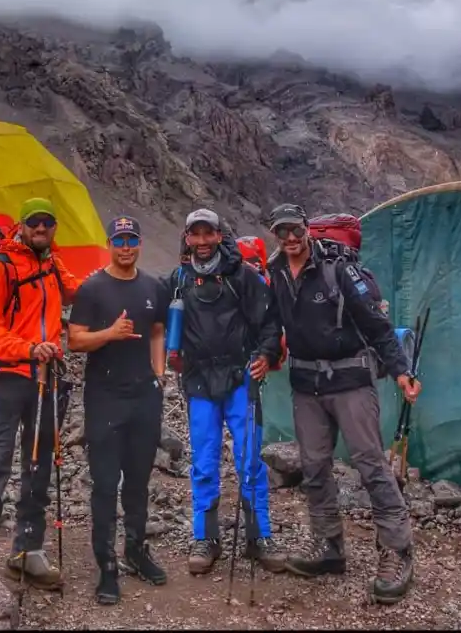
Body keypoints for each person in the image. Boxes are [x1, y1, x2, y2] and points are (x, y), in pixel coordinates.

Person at [266, 203, 422, 604]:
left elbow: (376, 325)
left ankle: (397, 550)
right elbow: (270, 324)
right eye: (282, 232)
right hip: (306, 385)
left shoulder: (339, 270)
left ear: (307, 230)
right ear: (275, 234)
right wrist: (266, 353)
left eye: (296, 230)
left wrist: (401, 370)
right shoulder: (277, 273)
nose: (290, 238)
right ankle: (329, 547)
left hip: (350, 380)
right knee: (314, 466)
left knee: (370, 463)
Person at [0, 198, 80, 590]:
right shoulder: (0, 268)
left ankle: (26, 552)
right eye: (34, 222)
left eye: (48, 222)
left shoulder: (50, 263)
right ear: (21, 225)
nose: (41, 228)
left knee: (38, 467)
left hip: (46, 379)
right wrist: (28, 348)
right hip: (7, 377)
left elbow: (74, 293)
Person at [167, 208, 285, 576]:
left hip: (240, 378)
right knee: (204, 462)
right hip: (200, 381)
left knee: (250, 459)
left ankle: (259, 536)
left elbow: (269, 322)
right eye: (195, 235)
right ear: (187, 239)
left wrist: (266, 355)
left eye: (208, 234)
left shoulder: (244, 277)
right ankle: (205, 539)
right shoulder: (178, 279)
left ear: (220, 235)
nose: (202, 242)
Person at [68, 215, 168, 606]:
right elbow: (75, 341)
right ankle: (106, 565)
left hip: (145, 395)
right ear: (109, 243)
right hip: (105, 397)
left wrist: (159, 375)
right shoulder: (92, 288)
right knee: (106, 483)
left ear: (139, 243)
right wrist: (110, 334)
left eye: (132, 239)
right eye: (119, 240)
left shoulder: (152, 286)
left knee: (139, 480)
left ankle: (136, 551)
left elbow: (157, 330)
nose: (125, 246)